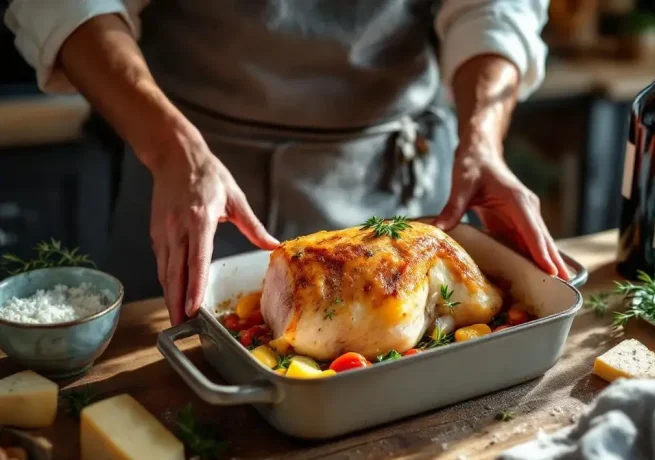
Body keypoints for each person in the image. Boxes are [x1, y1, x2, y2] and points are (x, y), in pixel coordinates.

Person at [6, 0, 568, 326]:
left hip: (404, 178)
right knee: (164, 357)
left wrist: (483, 143)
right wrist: (173, 148)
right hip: (189, 171)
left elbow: (495, 6)